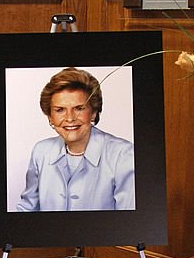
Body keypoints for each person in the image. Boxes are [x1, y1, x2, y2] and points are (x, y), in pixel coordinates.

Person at [16, 67, 135, 211]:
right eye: (60, 110)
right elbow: (27, 210)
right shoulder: (41, 151)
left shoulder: (123, 155)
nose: (70, 118)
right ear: (50, 117)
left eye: (79, 108)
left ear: (93, 112)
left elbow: (129, 221)